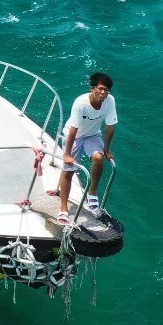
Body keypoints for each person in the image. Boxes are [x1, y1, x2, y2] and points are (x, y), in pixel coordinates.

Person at [53, 72, 118, 225]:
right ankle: (63, 209)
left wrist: (107, 150)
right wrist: (68, 154)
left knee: (98, 158)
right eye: (100, 89)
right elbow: (73, 130)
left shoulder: (110, 101)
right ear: (92, 88)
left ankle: (92, 193)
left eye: (106, 90)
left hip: (93, 135)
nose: (103, 93)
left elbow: (110, 127)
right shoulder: (81, 103)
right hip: (74, 136)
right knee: (68, 170)